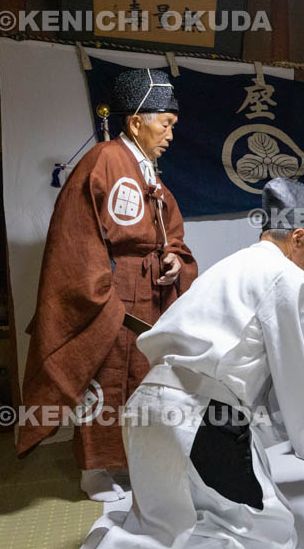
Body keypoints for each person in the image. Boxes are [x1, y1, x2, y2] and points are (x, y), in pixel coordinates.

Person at [44, 177, 304, 549]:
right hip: (199, 417)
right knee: (272, 535)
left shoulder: (233, 265)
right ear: (298, 238)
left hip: (153, 406)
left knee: (188, 514)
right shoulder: (287, 280)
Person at [17, 67, 198, 501]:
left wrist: (175, 258)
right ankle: (94, 469)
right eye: (166, 124)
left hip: (152, 294)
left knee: (144, 380)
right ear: (137, 122)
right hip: (113, 293)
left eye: (173, 125)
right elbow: (75, 235)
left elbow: (172, 232)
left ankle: (136, 460)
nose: (171, 134)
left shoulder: (151, 174)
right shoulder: (103, 161)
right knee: (104, 377)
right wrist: (102, 294)